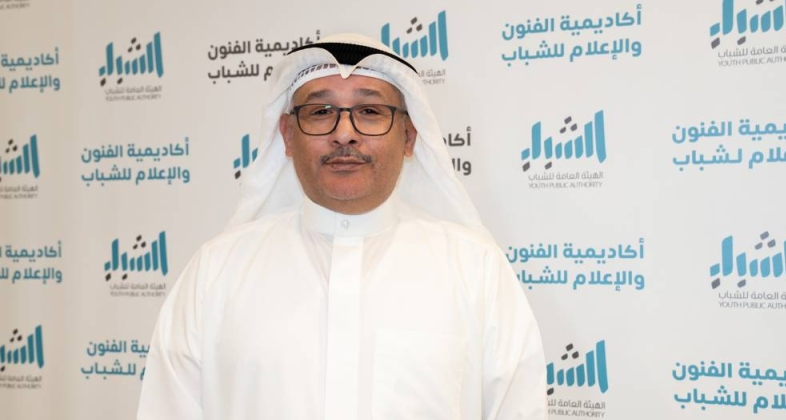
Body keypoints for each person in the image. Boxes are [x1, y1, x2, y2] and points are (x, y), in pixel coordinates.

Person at [137, 33, 547, 420]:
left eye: (370, 111)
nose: (344, 134)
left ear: (409, 136)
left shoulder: (476, 270)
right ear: (287, 135)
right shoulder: (216, 272)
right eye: (321, 112)